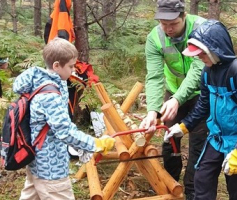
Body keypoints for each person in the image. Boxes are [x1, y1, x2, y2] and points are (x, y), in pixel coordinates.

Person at [165, 19, 237, 199]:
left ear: (215, 50)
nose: (199, 58)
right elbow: (203, 105)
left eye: (202, 54)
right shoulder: (207, 72)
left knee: (235, 186)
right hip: (216, 136)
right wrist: (183, 127)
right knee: (202, 178)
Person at [14, 37, 115, 200]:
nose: (73, 70)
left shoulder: (42, 83)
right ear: (56, 66)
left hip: (38, 162)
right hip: (51, 168)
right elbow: (65, 132)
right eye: (70, 66)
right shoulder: (50, 96)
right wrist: (95, 144)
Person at [139, 0, 208, 199]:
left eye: (173, 24)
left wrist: (177, 98)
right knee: (170, 138)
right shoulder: (155, 37)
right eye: (163, 23)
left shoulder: (201, 29)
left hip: (201, 94)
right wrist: (153, 110)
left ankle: (193, 188)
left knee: (198, 141)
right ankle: (170, 182)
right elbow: (154, 76)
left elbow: (198, 69)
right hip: (173, 92)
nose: (168, 29)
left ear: (184, 16)